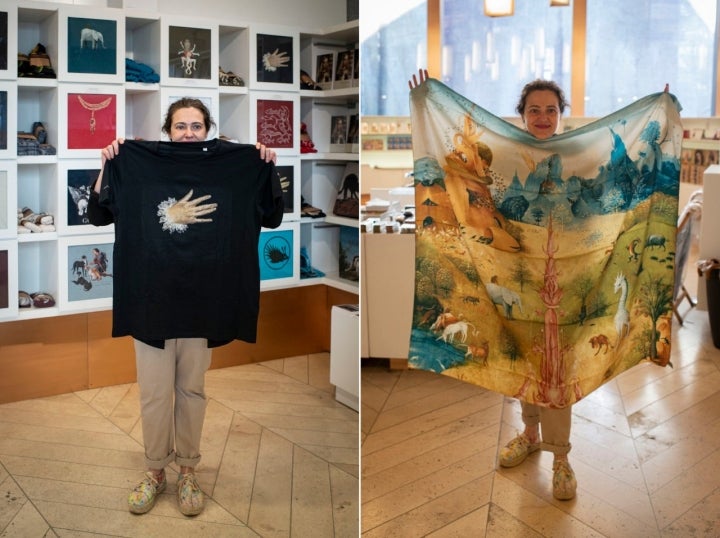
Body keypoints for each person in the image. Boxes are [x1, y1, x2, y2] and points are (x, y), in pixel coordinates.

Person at [88, 98, 280, 517]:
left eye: (196, 126)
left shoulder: (232, 167)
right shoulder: (139, 165)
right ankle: (155, 470)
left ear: (208, 130)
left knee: (192, 390)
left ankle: (188, 469)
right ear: (168, 131)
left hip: (203, 300)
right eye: (180, 126)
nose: (188, 133)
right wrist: (109, 163)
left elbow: (271, 216)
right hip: (151, 300)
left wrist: (264, 164)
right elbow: (100, 214)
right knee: (155, 393)